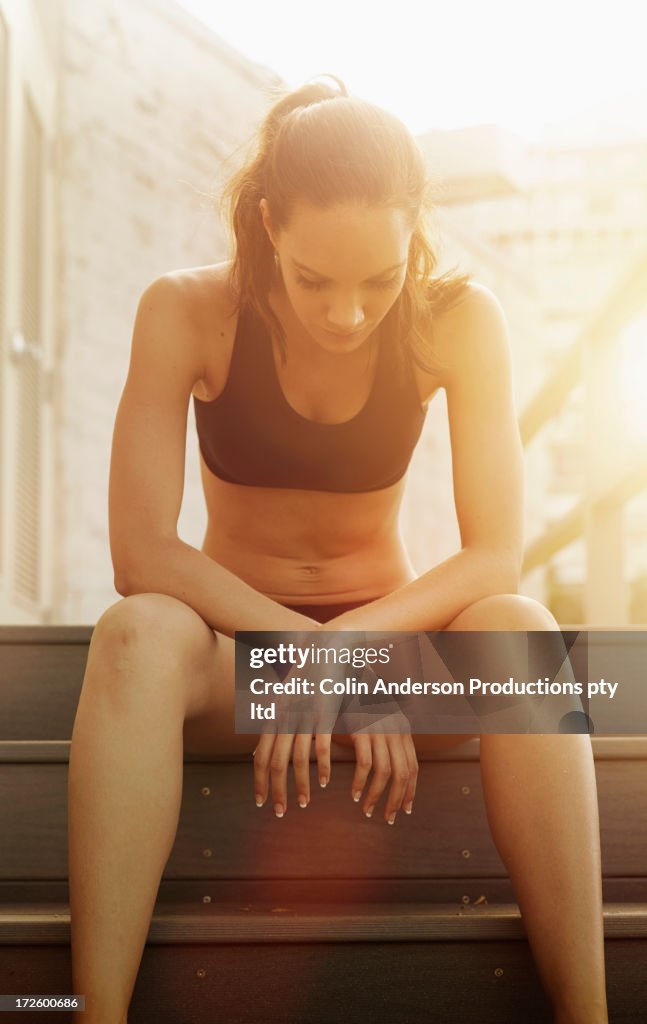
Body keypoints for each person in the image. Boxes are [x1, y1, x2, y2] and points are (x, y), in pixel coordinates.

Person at [67, 77, 608, 1024]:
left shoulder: (457, 320)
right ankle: (94, 1014)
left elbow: (491, 559)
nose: (348, 313)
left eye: (380, 280)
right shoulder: (188, 312)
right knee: (135, 633)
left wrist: (348, 657)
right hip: (242, 663)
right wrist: (306, 656)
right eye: (315, 279)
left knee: (520, 630)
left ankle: (588, 1012)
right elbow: (142, 551)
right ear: (270, 224)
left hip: (386, 662)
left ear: (414, 237)